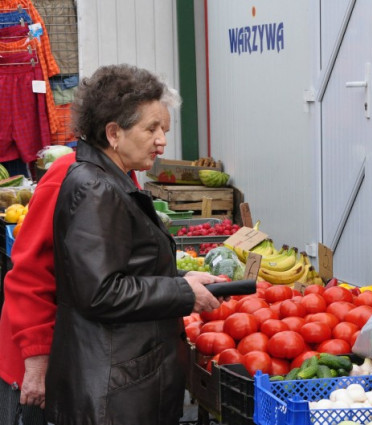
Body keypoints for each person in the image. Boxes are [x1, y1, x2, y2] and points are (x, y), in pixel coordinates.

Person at [8, 64, 219, 425]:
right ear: (113, 133)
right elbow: (95, 290)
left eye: (164, 130)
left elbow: (121, 269)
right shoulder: (94, 186)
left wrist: (182, 280)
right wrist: (182, 292)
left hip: (119, 375)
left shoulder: (114, 178)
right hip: (110, 384)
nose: (162, 140)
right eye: (151, 129)